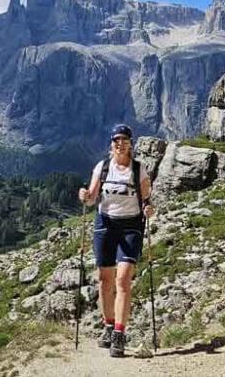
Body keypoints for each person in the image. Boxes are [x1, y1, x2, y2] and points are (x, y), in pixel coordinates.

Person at [77, 123, 154, 358]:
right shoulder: (102, 167)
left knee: (122, 279)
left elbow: (147, 201)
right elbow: (91, 199)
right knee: (104, 279)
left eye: (124, 139)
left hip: (131, 225)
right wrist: (85, 196)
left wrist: (149, 209)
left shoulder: (139, 170)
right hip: (106, 224)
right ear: (111, 143)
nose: (120, 143)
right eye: (116, 140)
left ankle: (120, 334)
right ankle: (109, 326)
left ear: (131, 143)